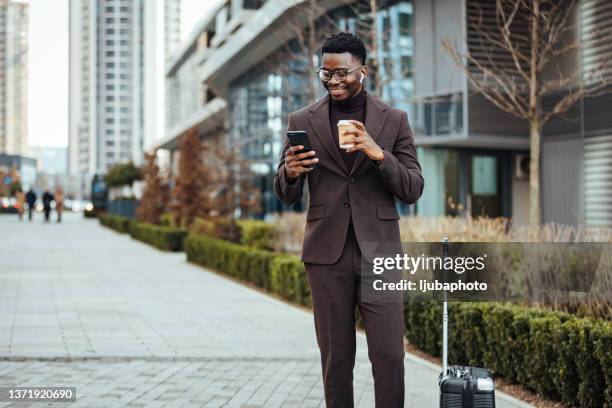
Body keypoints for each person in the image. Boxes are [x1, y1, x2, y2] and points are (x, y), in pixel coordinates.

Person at [274, 32, 424, 408]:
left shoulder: (394, 120)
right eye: (326, 74)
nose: (334, 82)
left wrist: (378, 153)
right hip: (327, 255)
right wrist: (290, 173)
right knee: (336, 359)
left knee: (389, 356)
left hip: (381, 253)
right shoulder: (301, 120)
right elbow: (286, 193)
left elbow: (413, 188)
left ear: (363, 71)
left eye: (342, 73)